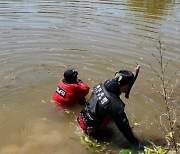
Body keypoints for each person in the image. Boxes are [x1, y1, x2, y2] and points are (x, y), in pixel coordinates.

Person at [77, 66, 141, 147]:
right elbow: (124, 127)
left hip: (83, 118)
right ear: (125, 85)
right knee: (113, 135)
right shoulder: (115, 103)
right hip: (92, 131)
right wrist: (135, 143)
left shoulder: (101, 85)